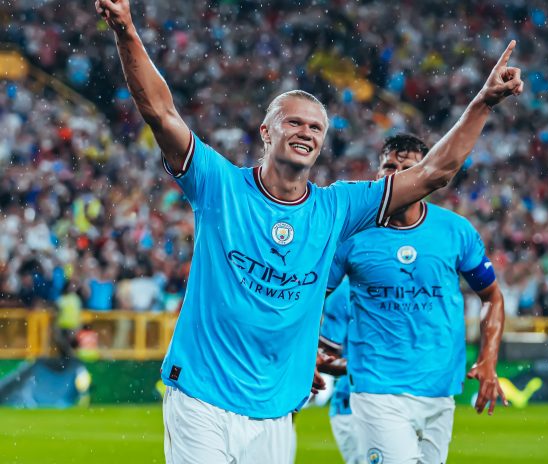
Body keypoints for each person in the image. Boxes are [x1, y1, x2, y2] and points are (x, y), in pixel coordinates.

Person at [95, 1, 523, 461]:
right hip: (201, 395)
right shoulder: (220, 185)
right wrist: (126, 29)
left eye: (316, 127)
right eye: (294, 122)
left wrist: (482, 102)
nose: (306, 132)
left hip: (277, 409)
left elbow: (435, 173)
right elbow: (161, 113)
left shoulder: (337, 208)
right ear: (266, 131)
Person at [321, 133, 507, 464]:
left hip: (440, 390)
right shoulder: (352, 235)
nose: (397, 174)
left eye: (408, 168)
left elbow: (492, 296)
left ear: (425, 175)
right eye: (389, 166)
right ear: (378, 173)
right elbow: (311, 296)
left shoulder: (455, 230)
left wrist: (489, 359)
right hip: (377, 389)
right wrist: (306, 352)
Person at [318, 278, 363, 464]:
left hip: (422, 399)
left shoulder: (424, 285)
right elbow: (324, 356)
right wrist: (368, 367)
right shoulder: (344, 292)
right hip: (354, 406)